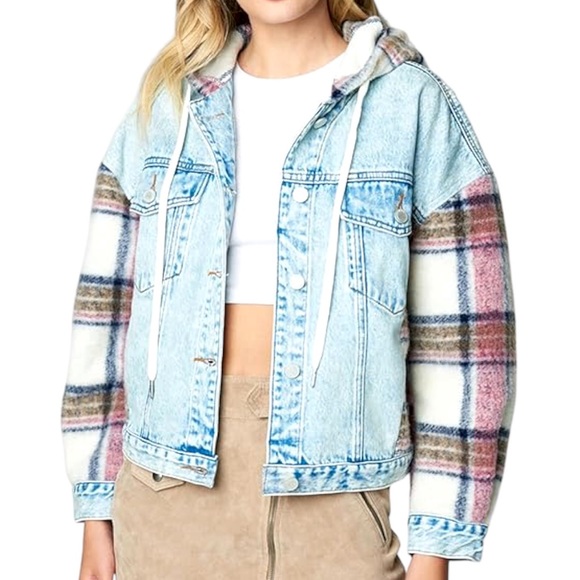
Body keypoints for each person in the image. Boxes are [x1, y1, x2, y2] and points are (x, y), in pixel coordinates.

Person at [60, 0, 516, 578]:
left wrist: (436, 548)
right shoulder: (166, 107)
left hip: (337, 504)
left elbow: (469, 346)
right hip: (164, 498)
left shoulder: (413, 104)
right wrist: (96, 509)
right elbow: (104, 315)